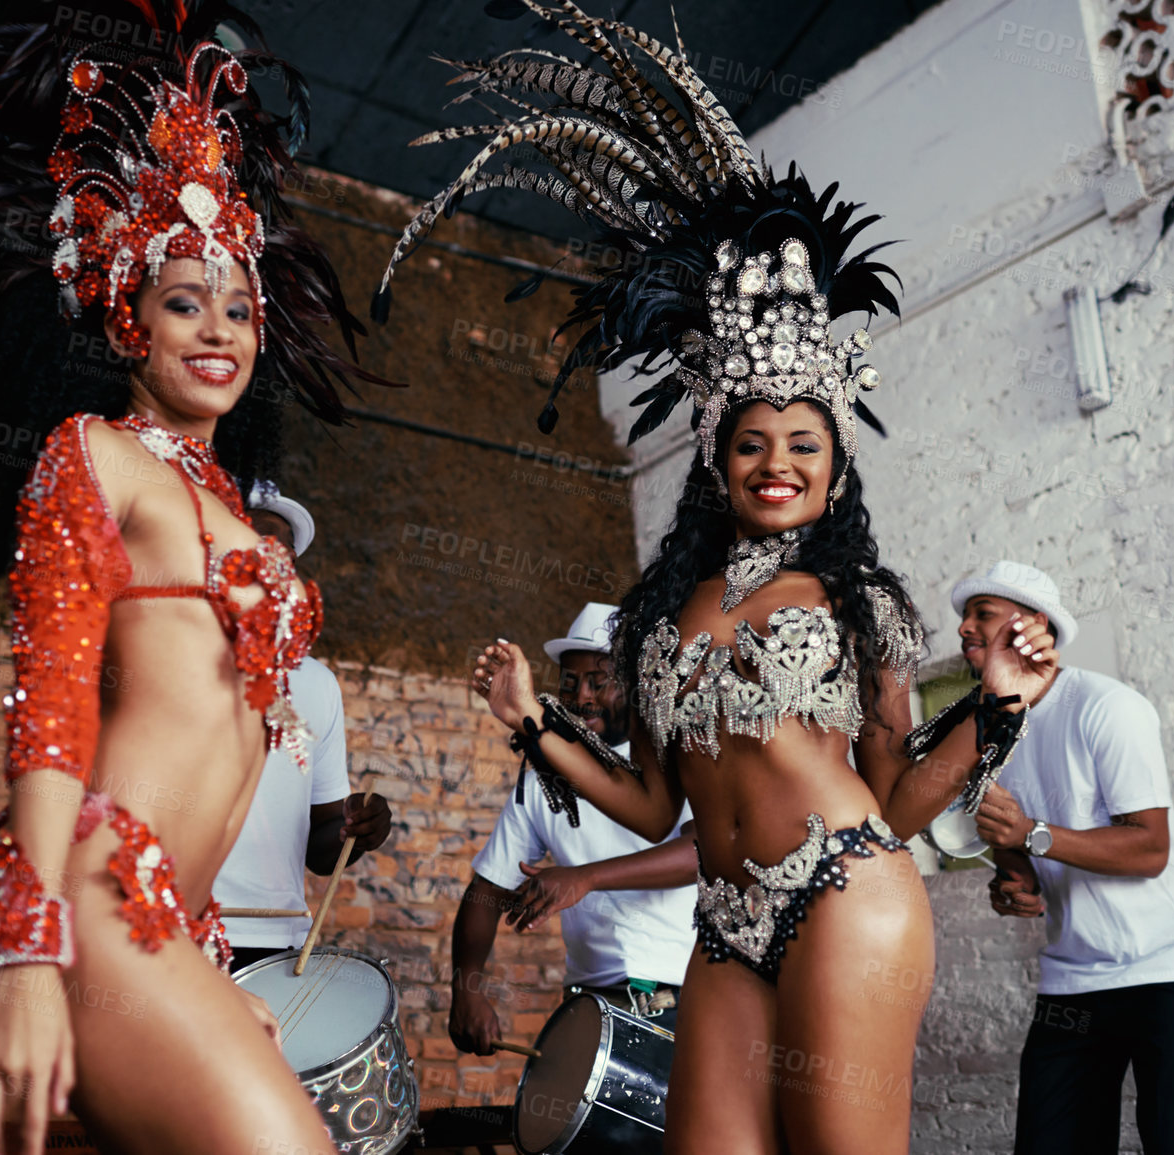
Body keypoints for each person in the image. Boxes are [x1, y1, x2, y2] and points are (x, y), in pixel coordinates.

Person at [385, 8, 1057, 1151]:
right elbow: (654, 801)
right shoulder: (658, 617)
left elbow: (897, 798)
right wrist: (532, 724)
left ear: (836, 463)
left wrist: (995, 711)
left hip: (848, 888)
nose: (779, 463)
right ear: (715, 457)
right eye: (753, 441)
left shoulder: (860, 601)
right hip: (724, 926)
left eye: (806, 443)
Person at [0, 8, 388, 1152]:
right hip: (81, 882)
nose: (220, 329)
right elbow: (54, 699)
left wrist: (201, 963)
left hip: (162, 909)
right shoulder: (92, 455)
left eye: (240, 305)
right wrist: (26, 951)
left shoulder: (223, 504)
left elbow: (202, 742)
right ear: (128, 320)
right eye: (184, 301)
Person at [953, 562, 1174, 1155]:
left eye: (984, 615)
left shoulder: (1109, 707)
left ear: (1031, 626)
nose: (966, 628)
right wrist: (1012, 883)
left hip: (1164, 969)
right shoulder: (992, 728)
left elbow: (1149, 848)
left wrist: (1031, 834)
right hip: (1072, 979)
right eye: (964, 617)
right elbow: (1015, 851)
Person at [450, 602, 696, 1054]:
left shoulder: (672, 758)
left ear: (637, 685)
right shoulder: (542, 774)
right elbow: (488, 888)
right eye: (570, 682)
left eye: (599, 683)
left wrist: (586, 878)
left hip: (673, 997)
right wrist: (467, 988)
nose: (581, 697)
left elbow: (701, 853)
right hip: (587, 1002)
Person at [213, 482, 392, 971]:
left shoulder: (316, 684)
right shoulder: (165, 654)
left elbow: (321, 841)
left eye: (280, 556)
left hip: (275, 938)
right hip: (170, 927)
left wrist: (358, 831)